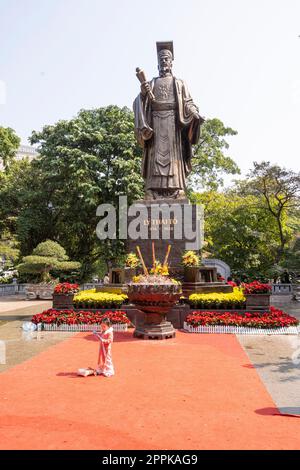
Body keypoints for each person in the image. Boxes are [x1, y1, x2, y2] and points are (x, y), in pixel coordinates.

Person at [133, 41, 204, 200]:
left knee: (173, 158)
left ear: (171, 62)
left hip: (173, 124)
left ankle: (177, 189)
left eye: (167, 59)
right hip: (155, 124)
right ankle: (152, 190)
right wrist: (144, 94)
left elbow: (188, 103)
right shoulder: (151, 83)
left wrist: (194, 113)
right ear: (158, 64)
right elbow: (140, 102)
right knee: (155, 157)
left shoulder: (179, 83)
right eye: (161, 60)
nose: (164, 62)